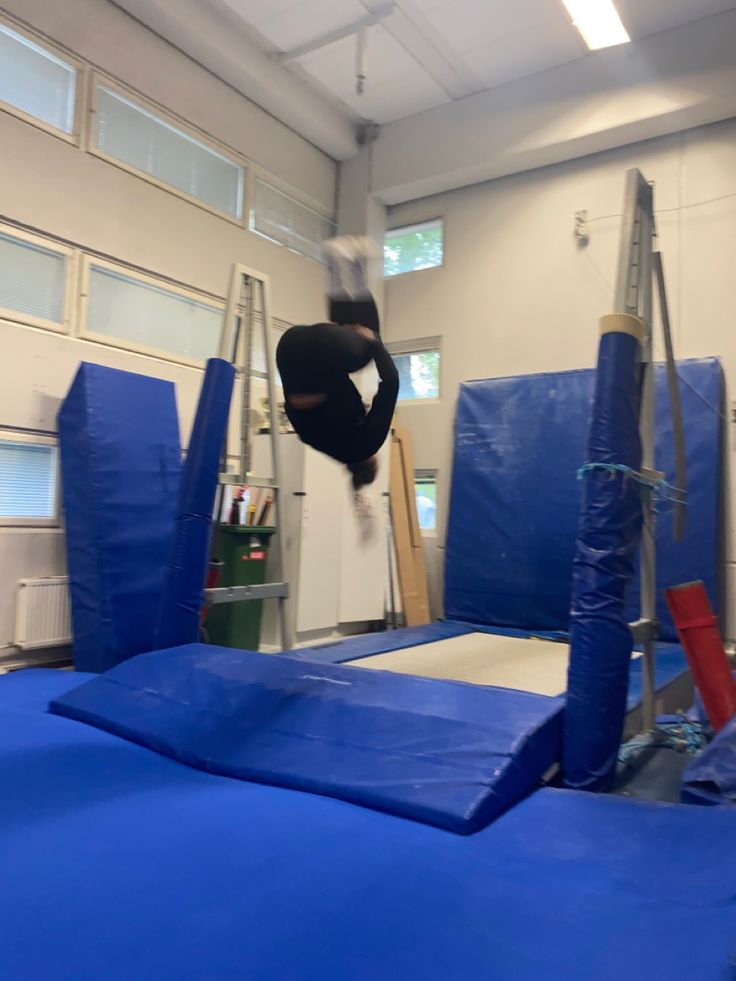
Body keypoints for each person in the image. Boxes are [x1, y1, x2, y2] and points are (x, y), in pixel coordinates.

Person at [276, 236, 399, 494]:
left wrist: (375, 344)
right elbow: (292, 408)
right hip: (288, 347)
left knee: (365, 346)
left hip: (320, 358)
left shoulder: (366, 445)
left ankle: (354, 263)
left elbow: (391, 382)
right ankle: (337, 261)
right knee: (344, 336)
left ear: (371, 462)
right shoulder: (320, 444)